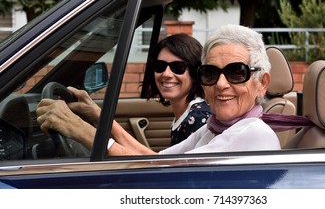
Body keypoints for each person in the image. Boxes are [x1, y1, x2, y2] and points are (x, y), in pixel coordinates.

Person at [36, 24, 280, 155]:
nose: (221, 84)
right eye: (211, 73)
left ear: (262, 82)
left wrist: (79, 130)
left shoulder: (252, 134)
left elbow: (164, 176)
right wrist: (97, 117)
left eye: (237, 72)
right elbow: (158, 161)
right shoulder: (215, 126)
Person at [142, 33, 212, 145]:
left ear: (195, 72)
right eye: (160, 65)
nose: (166, 74)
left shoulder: (199, 117)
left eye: (178, 67)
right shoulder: (187, 113)